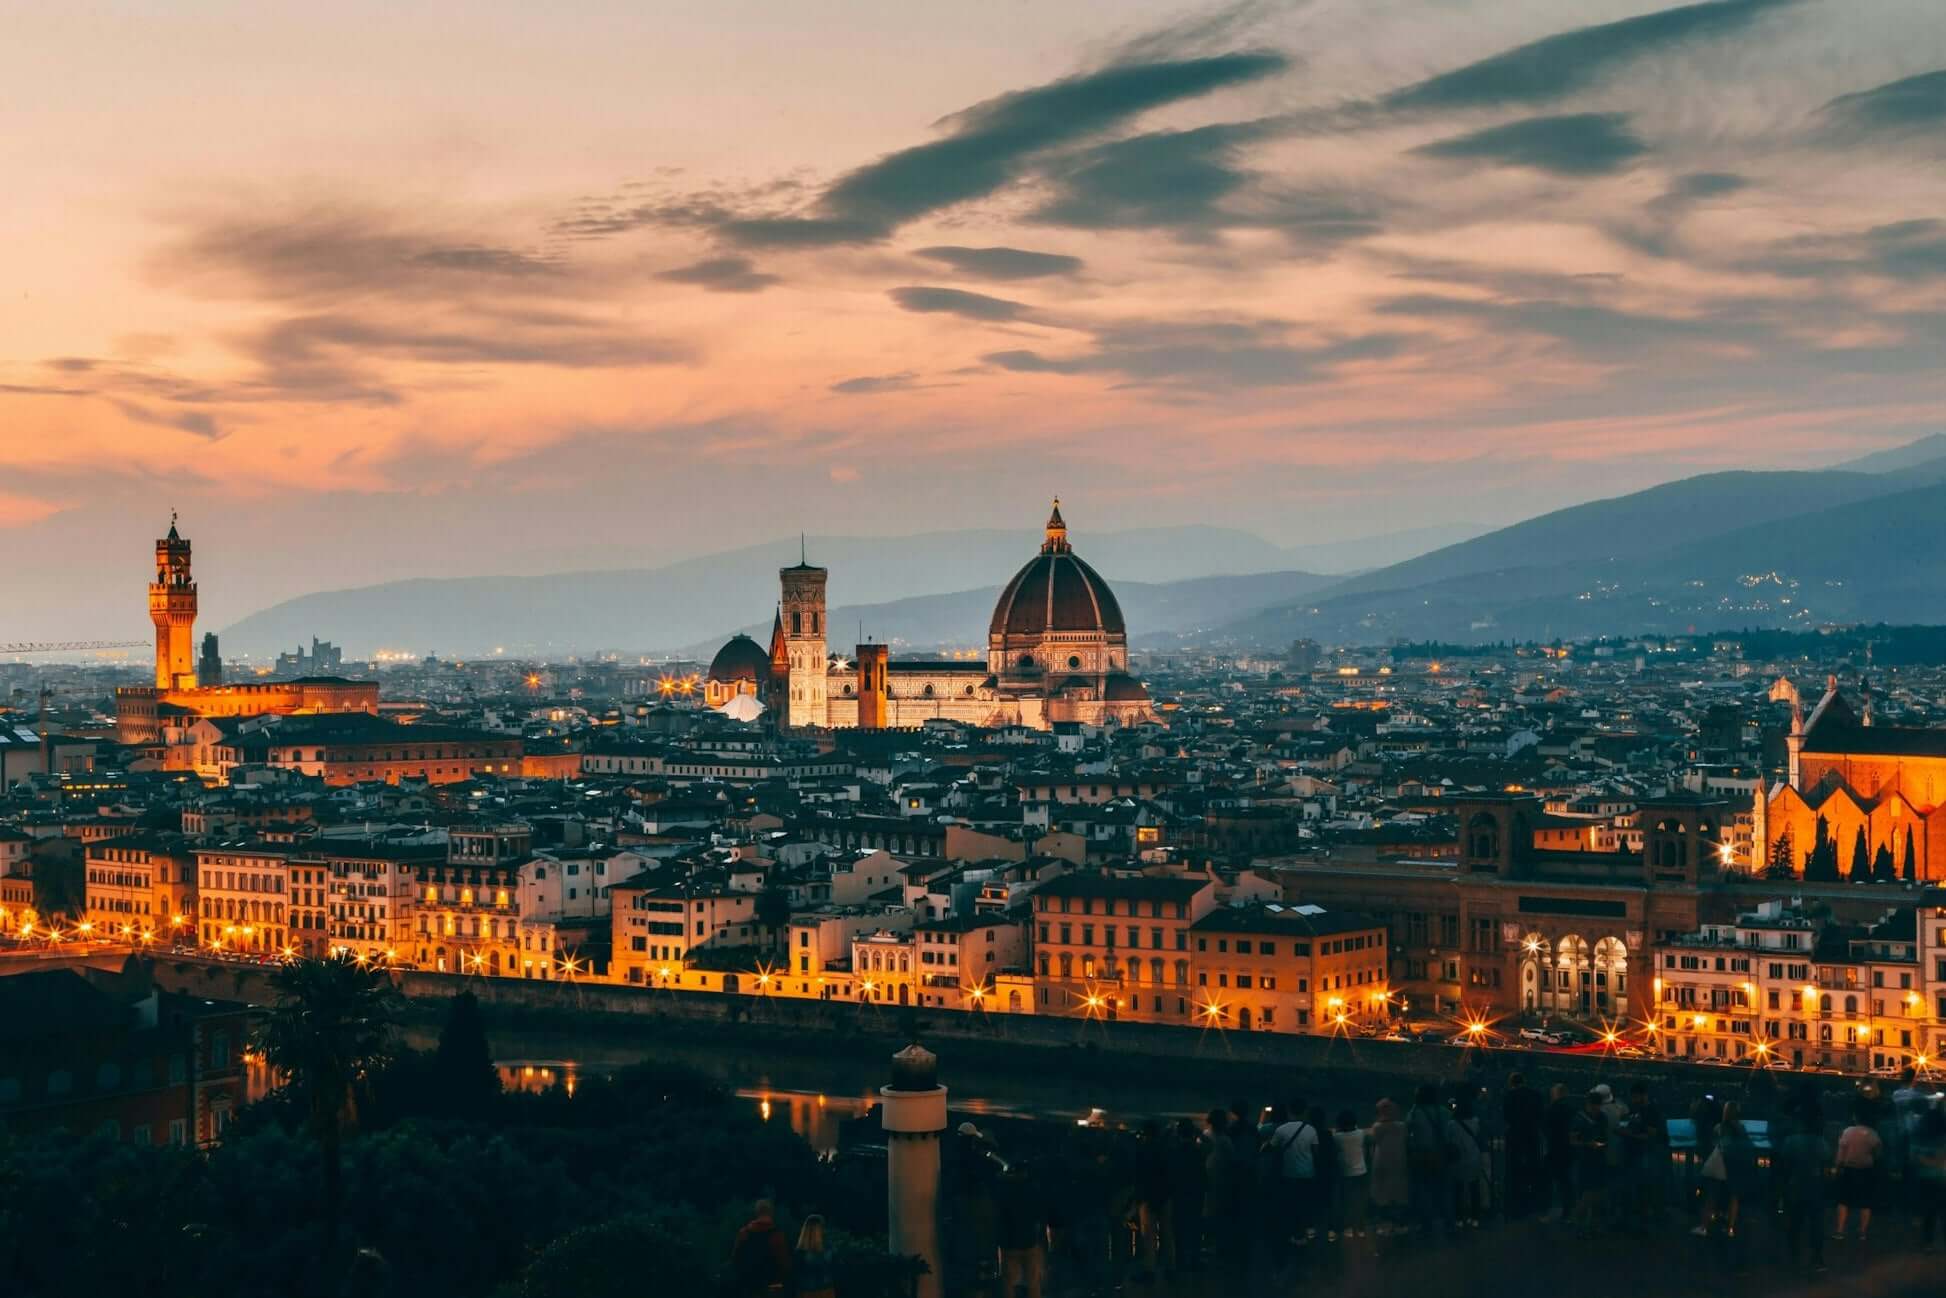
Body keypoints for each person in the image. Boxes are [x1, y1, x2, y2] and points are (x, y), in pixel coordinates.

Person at [1774, 1109, 1830, 1274]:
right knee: (1816, 1224)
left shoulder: (1791, 1141)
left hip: (1795, 1186)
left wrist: (1781, 1189)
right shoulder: (1821, 1142)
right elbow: (1826, 1165)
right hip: (1815, 1187)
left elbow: (1784, 1167)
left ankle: (1793, 1256)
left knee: (1794, 1224)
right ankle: (1817, 1258)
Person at [1268, 1101, 1322, 1245]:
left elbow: (1273, 1150)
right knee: (1304, 1204)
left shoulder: (1281, 1130)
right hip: (1307, 1172)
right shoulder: (1311, 1129)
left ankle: (1292, 1234)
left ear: (1289, 1111)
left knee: (1290, 1204)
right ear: (1304, 1112)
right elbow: (1316, 1153)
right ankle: (1302, 1234)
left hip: (1289, 1172)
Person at [1834, 1097, 1884, 1244]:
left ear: (1855, 1116)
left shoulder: (1848, 1131)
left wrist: (1837, 1167)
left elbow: (1841, 1152)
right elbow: (1878, 1153)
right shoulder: (1873, 1134)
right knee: (1865, 1202)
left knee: (1843, 1201)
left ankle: (1840, 1230)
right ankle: (1862, 1232)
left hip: (1848, 1170)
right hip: (1866, 1171)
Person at [1406, 1083, 1453, 1237]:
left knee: (1424, 1189)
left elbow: (1408, 1127)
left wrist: (1414, 1106)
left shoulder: (1416, 1112)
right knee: (1444, 1189)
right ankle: (1448, 1221)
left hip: (1423, 1155)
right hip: (1442, 1155)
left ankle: (1427, 1223)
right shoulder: (1444, 1112)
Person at [996, 1162, 1048, 1298]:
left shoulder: (1003, 1192)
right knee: (1033, 1282)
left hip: (1009, 1244)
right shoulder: (1031, 1191)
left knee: (1008, 1283)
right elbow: (1040, 1217)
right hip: (1029, 1241)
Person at [1502, 1072, 1545, 1219]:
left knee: (1515, 1170)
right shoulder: (1536, 1095)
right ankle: (1533, 1203)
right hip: (1532, 1136)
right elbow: (1540, 1115)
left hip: (1515, 1137)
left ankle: (1516, 1205)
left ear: (1511, 1083)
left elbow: (1506, 1116)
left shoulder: (1509, 1096)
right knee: (1533, 1168)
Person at [730, 1199, 793, 1298]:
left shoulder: (744, 1233)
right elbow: (784, 1263)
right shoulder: (777, 1235)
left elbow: (735, 1258)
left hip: (749, 1287)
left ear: (757, 1212)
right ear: (771, 1212)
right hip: (772, 1287)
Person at [1168, 1118, 1207, 1272]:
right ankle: (1195, 1260)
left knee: (1179, 1227)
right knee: (1195, 1226)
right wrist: (1199, 1132)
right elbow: (1210, 1145)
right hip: (1196, 1191)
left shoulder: (1173, 1150)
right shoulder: (1198, 1150)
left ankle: (1180, 1260)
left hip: (1178, 1192)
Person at [1569, 1089, 1609, 1235]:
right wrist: (1588, 1144)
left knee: (1594, 1194)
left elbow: (1573, 1140)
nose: (1596, 1109)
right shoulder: (1582, 1118)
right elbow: (1572, 1141)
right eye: (1594, 1106)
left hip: (1595, 1159)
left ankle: (1587, 1225)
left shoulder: (1586, 1118)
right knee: (1589, 1193)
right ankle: (1582, 1224)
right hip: (1586, 1160)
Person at [1368, 1098, 1409, 1237]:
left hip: (1382, 1161)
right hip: (1399, 1160)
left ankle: (1385, 1226)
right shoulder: (1402, 1126)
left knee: (1382, 1194)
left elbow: (1373, 1141)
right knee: (1399, 1193)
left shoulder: (1377, 1127)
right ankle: (1400, 1224)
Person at [1449, 1089, 1487, 1228]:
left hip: (1458, 1159)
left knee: (1458, 1190)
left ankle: (1459, 1218)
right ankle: (1475, 1217)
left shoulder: (1452, 1124)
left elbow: (1451, 1141)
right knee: (1474, 1188)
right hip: (1473, 1157)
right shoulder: (1476, 1121)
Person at [1912, 1104, 1946, 1253]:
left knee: (1929, 1212)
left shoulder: (1921, 1137)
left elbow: (1914, 1156)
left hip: (1925, 1178)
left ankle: (1928, 1243)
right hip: (1943, 1178)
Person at [1333, 1109, 1372, 1239]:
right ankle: (1361, 1228)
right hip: (1361, 1171)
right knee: (1360, 1201)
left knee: (1347, 1202)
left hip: (1346, 1172)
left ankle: (1349, 1228)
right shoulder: (1361, 1134)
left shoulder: (1337, 1137)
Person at [1544, 1083, 1577, 1224]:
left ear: (1556, 1094)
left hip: (1555, 1148)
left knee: (1554, 1180)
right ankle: (1568, 1210)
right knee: (1567, 1181)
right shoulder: (1573, 1109)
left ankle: (1552, 1210)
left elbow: (1545, 1127)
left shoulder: (1553, 1109)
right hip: (1570, 1149)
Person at [793, 1215, 835, 1298]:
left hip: (806, 1291)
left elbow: (795, 1274)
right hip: (825, 1290)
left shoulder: (800, 1252)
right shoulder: (828, 1249)